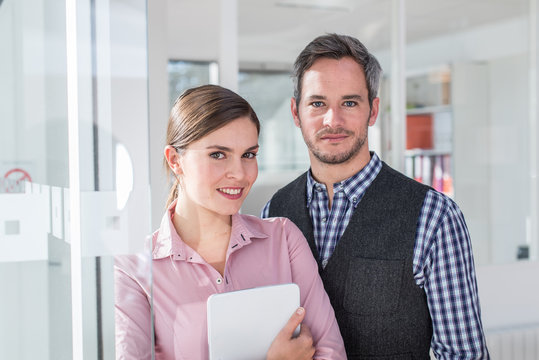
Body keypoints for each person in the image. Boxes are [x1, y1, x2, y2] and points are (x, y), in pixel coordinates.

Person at [262, 33, 490, 359]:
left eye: (350, 103)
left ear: (373, 111)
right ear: (296, 113)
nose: (333, 120)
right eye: (317, 103)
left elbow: (463, 355)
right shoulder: (275, 213)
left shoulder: (434, 216)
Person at [114, 84, 346, 359]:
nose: (239, 173)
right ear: (175, 160)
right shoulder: (134, 272)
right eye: (218, 155)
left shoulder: (283, 239)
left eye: (248, 154)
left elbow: (330, 353)